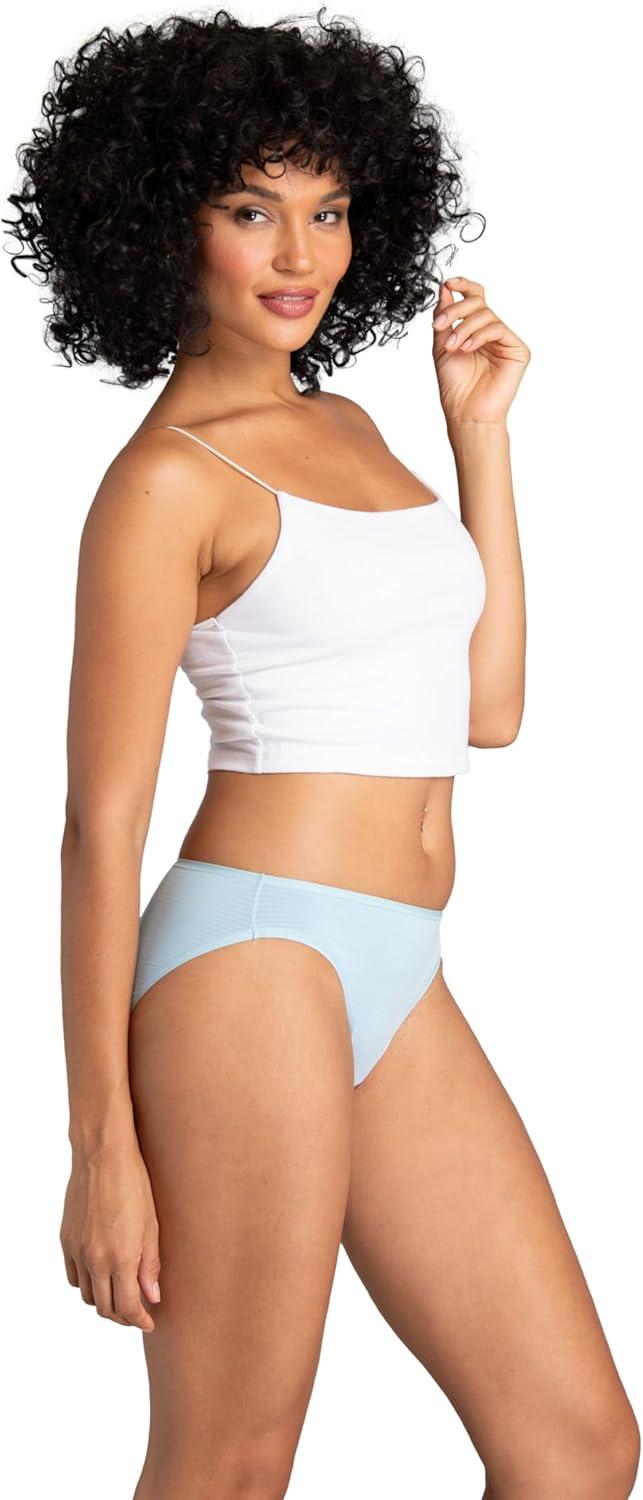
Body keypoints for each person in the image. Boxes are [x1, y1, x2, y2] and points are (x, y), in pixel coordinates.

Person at [6, 9, 639, 1498]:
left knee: (577, 1448)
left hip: (400, 965)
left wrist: (480, 437)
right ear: (163, 226)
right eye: (251, 211)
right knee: (230, 1464)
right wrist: (100, 1146)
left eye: (330, 209)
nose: (300, 253)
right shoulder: (166, 484)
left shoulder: (356, 424)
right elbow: (101, 824)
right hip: (253, 959)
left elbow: (487, 707)